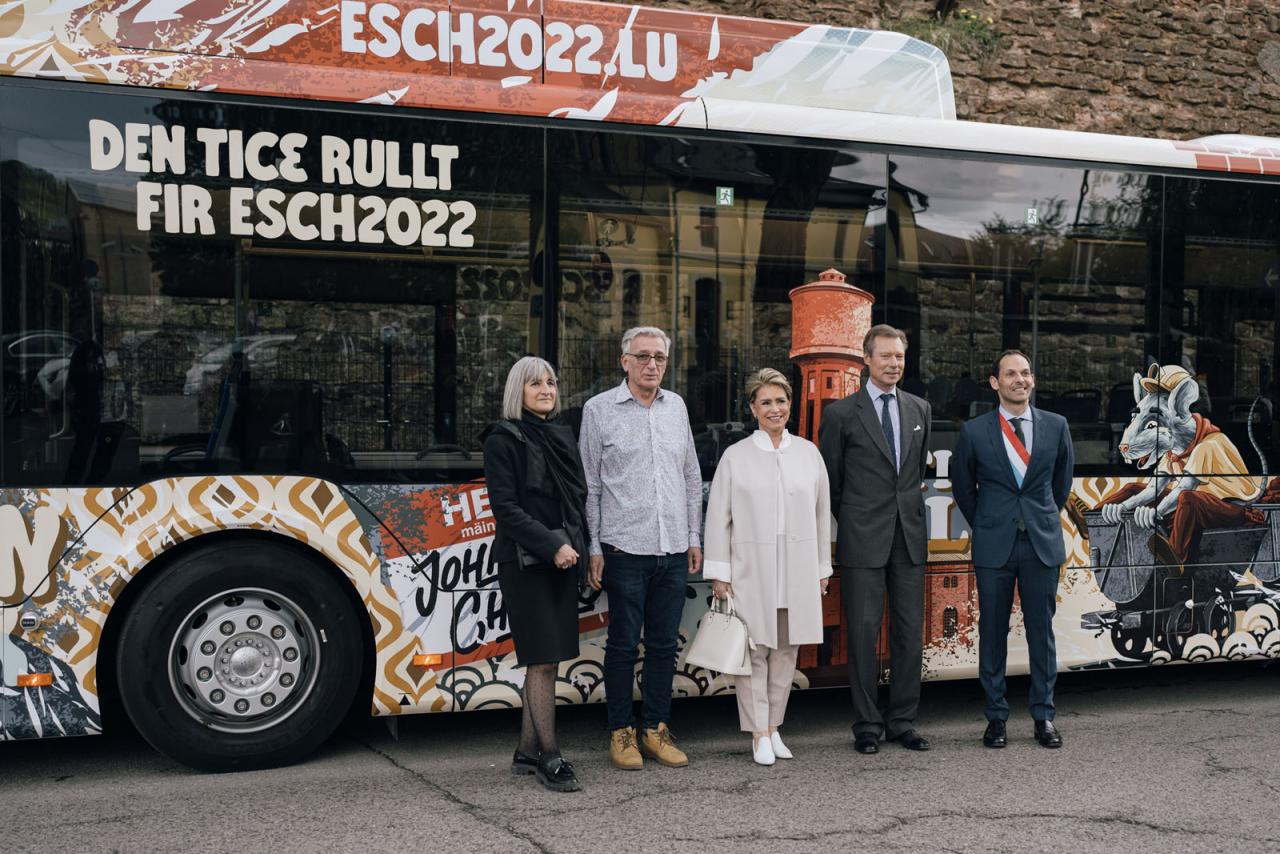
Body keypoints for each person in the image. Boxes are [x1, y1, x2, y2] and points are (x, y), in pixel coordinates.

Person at [579, 326, 703, 771]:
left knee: (665, 645)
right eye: (643, 356)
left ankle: (655, 729)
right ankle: (621, 733)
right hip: (622, 548)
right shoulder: (599, 411)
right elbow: (590, 486)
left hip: (671, 549)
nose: (652, 365)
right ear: (624, 360)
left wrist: (693, 537)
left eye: (660, 358)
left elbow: (690, 476)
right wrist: (593, 546)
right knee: (623, 645)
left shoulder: (677, 408)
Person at [703, 368, 832, 766]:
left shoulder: (808, 453)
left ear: (789, 405)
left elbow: (822, 513)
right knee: (753, 651)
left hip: (797, 564)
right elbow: (718, 517)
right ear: (752, 408)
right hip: (750, 565)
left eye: (781, 401)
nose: (774, 409)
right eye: (766, 402)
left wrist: (822, 568)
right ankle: (758, 731)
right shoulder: (735, 456)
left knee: (786, 650)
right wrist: (720, 573)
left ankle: (775, 728)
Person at [817, 324, 932, 755]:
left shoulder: (920, 409)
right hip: (863, 538)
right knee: (863, 634)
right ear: (866, 359)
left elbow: (914, 475)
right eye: (885, 356)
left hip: (909, 538)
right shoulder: (841, 414)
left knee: (908, 633)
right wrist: (860, 518)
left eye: (899, 356)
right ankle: (867, 724)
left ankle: (903, 720)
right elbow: (832, 483)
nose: (893, 364)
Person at [951, 350, 1074, 749]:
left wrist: (1038, 516)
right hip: (995, 545)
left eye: (1025, 373)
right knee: (992, 632)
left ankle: (1044, 717)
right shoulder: (973, 431)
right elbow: (963, 489)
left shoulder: (1057, 426)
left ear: (1032, 381)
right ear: (994, 382)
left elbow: (1061, 484)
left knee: (1042, 633)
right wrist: (989, 521)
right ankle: (996, 718)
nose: (1019, 380)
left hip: (1040, 543)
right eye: (1010, 374)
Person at [482, 356, 589, 792]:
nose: (546, 389)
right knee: (542, 660)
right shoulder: (502, 439)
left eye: (551, 382)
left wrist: (576, 548)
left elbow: (574, 501)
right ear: (517, 391)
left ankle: (527, 750)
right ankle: (551, 757)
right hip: (526, 563)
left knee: (550, 657)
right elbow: (506, 510)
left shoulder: (559, 434)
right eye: (535, 384)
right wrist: (553, 545)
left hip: (563, 558)